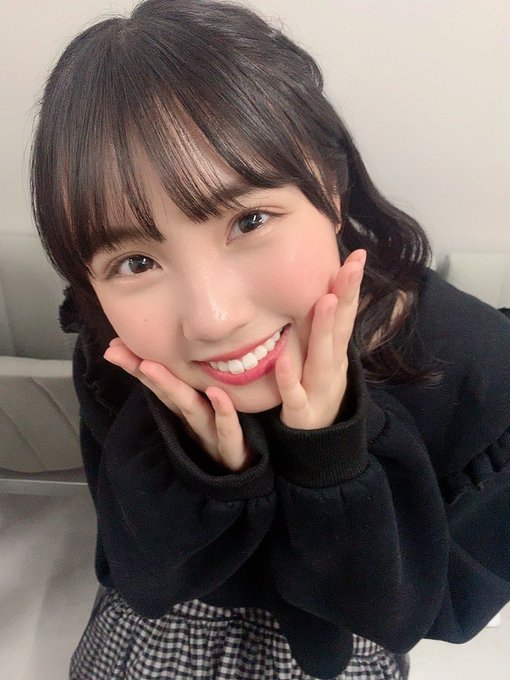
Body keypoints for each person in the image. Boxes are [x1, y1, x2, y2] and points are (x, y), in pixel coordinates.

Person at [30, 0, 510, 678]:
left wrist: (332, 463)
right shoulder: (118, 358)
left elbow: (439, 610)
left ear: (331, 188)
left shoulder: (472, 364)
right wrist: (204, 475)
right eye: (135, 262)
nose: (213, 318)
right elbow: (136, 573)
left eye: (249, 221)